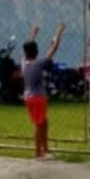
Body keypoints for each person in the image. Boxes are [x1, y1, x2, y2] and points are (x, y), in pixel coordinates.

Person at [23, 24, 65, 160]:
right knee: (40, 125)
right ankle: (38, 153)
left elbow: (28, 48)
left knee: (43, 123)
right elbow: (54, 48)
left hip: (30, 97)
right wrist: (59, 31)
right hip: (37, 98)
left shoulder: (24, 62)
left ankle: (45, 150)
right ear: (36, 51)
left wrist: (33, 34)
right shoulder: (39, 63)